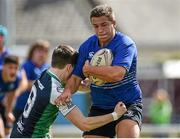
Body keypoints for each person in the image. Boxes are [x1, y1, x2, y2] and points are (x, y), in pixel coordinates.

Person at [55, 4, 142, 138]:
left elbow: (117, 74)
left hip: (127, 104)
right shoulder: (87, 46)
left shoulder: (125, 44)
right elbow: (76, 78)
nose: (100, 30)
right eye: (96, 26)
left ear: (113, 23)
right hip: (101, 106)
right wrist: (67, 91)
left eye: (104, 24)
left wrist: (91, 69)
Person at [10, 44, 127, 138]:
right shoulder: (57, 94)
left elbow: (75, 86)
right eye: (75, 71)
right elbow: (84, 124)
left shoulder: (45, 74)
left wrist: (96, 81)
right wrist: (115, 114)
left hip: (17, 133)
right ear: (69, 68)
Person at [13, 40, 50, 123]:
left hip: (41, 110)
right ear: (32, 52)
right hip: (23, 108)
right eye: (39, 51)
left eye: (45, 51)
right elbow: (26, 84)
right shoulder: (26, 66)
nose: (42, 54)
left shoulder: (48, 68)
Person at [0, 55, 25, 137]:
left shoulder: (16, 78)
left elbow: (11, 95)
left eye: (15, 68)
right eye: (10, 67)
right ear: (3, 66)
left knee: (7, 129)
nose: (13, 71)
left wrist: (9, 112)